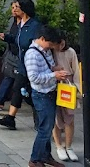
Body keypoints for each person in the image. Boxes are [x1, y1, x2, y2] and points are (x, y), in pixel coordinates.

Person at [23, 26, 71, 167]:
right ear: (42, 39)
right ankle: (35, 159)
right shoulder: (32, 54)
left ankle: (45, 156)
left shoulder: (44, 51)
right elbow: (34, 77)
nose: (50, 47)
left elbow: (44, 68)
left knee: (47, 127)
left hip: (49, 92)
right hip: (41, 95)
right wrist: (53, 75)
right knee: (45, 129)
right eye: (49, 44)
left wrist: (54, 70)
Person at [0, 0, 41, 130]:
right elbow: (18, 40)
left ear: (24, 9)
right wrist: (7, 38)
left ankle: (41, 122)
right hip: (22, 64)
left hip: (32, 65)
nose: (14, 9)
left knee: (31, 93)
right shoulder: (20, 24)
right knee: (18, 89)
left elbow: (35, 44)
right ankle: (11, 118)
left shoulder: (34, 26)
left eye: (17, 7)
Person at [51, 31, 80, 163]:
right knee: (56, 117)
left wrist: (77, 89)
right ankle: (58, 146)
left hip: (68, 86)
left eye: (62, 42)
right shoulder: (50, 52)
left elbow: (77, 72)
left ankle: (69, 146)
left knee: (69, 117)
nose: (61, 46)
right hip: (55, 84)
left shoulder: (71, 52)